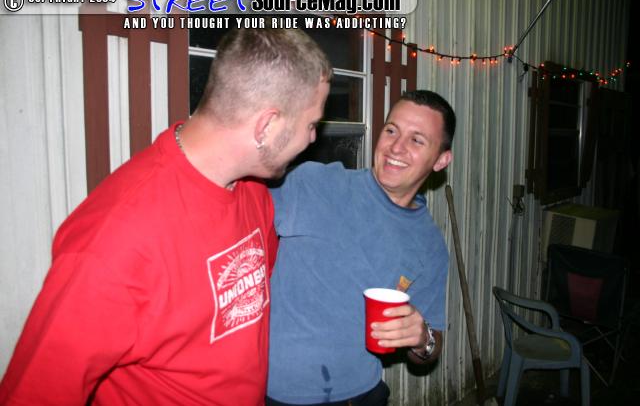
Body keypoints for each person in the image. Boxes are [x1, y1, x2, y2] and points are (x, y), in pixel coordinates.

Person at [0, 27, 332, 405]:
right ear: (267, 125)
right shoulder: (111, 243)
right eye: (310, 124)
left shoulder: (253, 191)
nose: (312, 138)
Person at [266, 90, 455, 405]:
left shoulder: (430, 245)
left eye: (416, 140)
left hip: (363, 394)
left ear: (440, 160)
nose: (396, 147)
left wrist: (423, 339)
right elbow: (233, 222)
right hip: (277, 395)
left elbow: (430, 348)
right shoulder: (315, 184)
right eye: (391, 130)